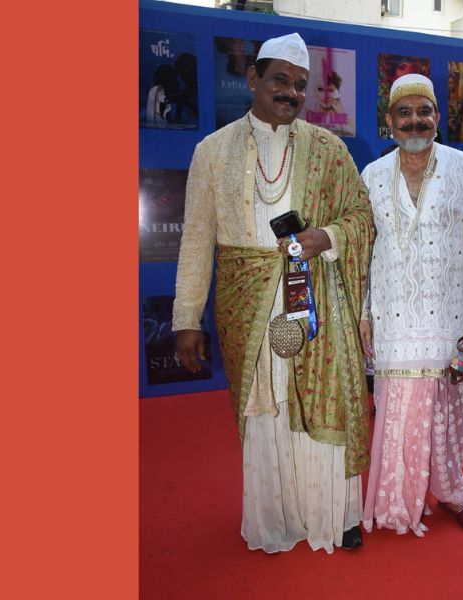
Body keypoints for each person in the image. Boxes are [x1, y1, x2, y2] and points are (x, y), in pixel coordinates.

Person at [172, 32, 375, 554]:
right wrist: (186, 319)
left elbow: (361, 216)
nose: (291, 92)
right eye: (280, 80)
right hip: (247, 303)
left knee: (322, 398)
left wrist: (327, 237)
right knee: (269, 405)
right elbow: (196, 240)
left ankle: (335, 514)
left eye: (301, 85)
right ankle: (278, 516)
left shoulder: (329, 149)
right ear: (252, 79)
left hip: (316, 300)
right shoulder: (211, 152)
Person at [359, 74, 463, 537]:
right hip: (394, 315)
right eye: (404, 113)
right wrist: (363, 312)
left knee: (450, 409)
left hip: (449, 315)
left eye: (424, 111)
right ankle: (396, 500)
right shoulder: (372, 176)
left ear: (437, 117)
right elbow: (366, 252)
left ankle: (452, 492)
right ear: (389, 122)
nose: (414, 121)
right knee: (398, 409)